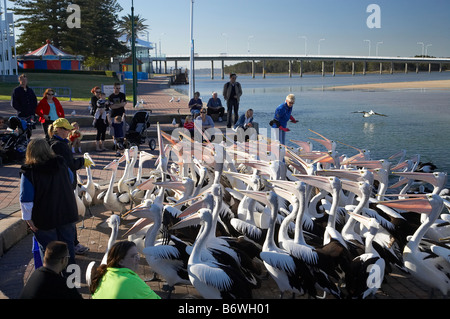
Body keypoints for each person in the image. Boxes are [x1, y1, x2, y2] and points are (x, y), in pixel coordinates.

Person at [19, 139, 79, 265]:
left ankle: (52, 281)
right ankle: (71, 281)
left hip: (44, 218)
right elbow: (71, 178)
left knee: (49, 252)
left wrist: (28, 219)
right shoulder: (61, 163)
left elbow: (26, 199)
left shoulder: (29, 172)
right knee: (68, 249)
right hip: (66, 212)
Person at [48, 118, 92, 255]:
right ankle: (72, 245)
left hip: (63, 185)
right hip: (64, 186)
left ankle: (69, 244)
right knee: (70, 216)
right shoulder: (59, 145)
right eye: (66, 129)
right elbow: (70, 164)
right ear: (58, 129)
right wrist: (81, 161)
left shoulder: (53, 143)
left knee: (66, 215)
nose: (68, 132)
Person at [90, 241, 161, 299]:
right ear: (120, 261)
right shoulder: (131, 281)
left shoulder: (104, 274)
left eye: (137, 255)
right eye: (133, 256)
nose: (138, 259)